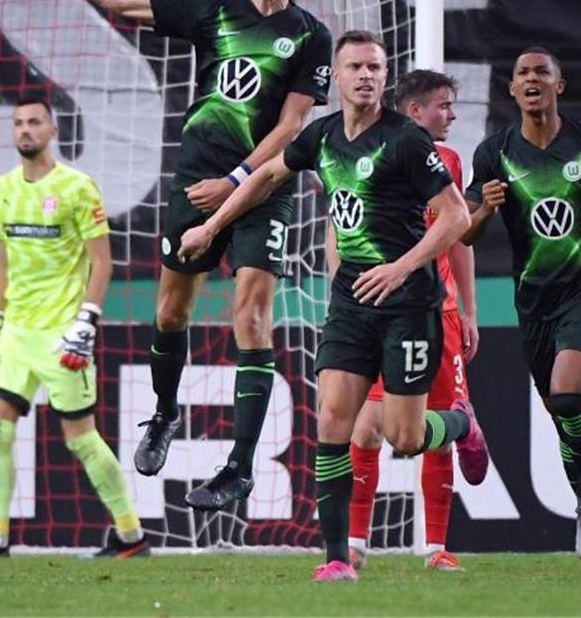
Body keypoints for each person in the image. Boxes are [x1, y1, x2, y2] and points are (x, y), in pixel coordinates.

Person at [15, 0, 333, 510]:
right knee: (170, 313)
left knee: (253, 315)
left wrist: (235, 182)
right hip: (194, 182)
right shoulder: (213, 11)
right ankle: (164, 413)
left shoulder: (311, 34)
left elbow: (293, 126)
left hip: (263, 185)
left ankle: (239, 466)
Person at [177, 31, 488, 583]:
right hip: (350, 304)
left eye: (374, 66)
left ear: (384, 78)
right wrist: (211, 224)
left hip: (409, 303)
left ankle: (461, 425)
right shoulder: (320, 137)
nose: (365, 75)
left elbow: (458, 218)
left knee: (405, 438)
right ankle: (338, 559)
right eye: (355, 67)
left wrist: (401, 267)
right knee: (334, 425)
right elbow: (265, 177)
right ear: (337, 79)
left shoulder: (408, 142)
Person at [460, 47, 581, 560]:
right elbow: (468, 233)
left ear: (559, 86)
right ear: (512, 90)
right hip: (533, 303)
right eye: (522, 73)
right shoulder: (493, 153)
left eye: (543, 71)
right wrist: (486, 210)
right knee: (560, 411)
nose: (532, 79)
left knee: (568, 395)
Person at [0, 98, 147, 558]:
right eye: (18, 123)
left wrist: (87, 322)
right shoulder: (3, 189)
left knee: (81, 439)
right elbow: (3, 261)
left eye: (34, 122)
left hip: (62, 334)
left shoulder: (77, 188)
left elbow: (102, 263)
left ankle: (131, 535)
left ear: (52, 130)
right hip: (15, 334)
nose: (25, 130)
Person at [344, 70, 487, 573]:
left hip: (435, 313)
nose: (451, 114)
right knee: (365, 431)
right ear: (414, 111)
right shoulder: (365, 154)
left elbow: (459, 236)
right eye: (443, 105)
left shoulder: (447, 161)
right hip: (380, 313)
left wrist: (469, 309)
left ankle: (436, 549)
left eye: (451, 105)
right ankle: (356, 543)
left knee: (432, 434)